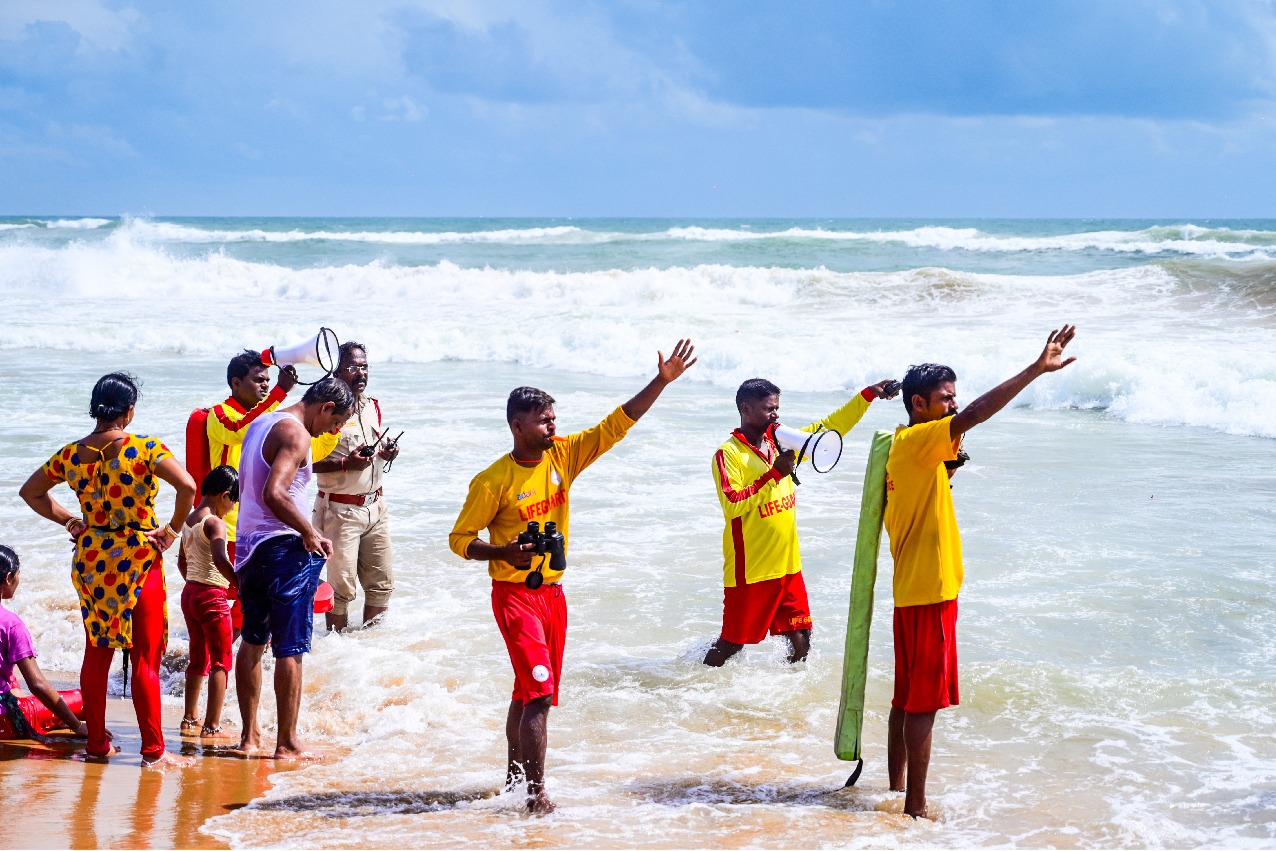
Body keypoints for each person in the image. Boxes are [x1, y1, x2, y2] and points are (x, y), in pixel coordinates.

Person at [449, 340, 698, 814]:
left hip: (554, 597)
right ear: (518, 425)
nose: (552, 427)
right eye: (544, 421)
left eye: (554, 420)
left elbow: (615, 425)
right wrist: (503, 550)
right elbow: (459, 539)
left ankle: (513, 779)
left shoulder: (563, 456)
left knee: (528, 690)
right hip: (515, 597)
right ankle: (537, 794)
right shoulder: (491, 480)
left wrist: (661, 382)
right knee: (539, 692)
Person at [885, 325, 1077, 819]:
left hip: (912, 590)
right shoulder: (922, 439)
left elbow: (942, 465)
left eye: (954, 397)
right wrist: (1036, 370)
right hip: (929, 590)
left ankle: (895, 789)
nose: (954, 405)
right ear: (918, 404)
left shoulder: (906, 446)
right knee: (922, 703)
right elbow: (974, 417)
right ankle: (915, 807)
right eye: (944, 399)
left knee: (906, 697)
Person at [19, 372, 196, 768]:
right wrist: (170, 531)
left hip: (92, 558)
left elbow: (30, 492)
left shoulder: (71, 454)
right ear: (129, 411)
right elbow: (187, 487)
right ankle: (154, 751)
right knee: (145, 657)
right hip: (137, 556)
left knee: (97, 652)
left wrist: (70, 521)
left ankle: (97, 745)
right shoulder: (145, 448)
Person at [704, 377, 899, 667]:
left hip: (789, 566)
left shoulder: (781, 442)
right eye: (769, 409)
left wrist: (868, 395)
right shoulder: (728, 454)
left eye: (777, 408)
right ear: (746, 409)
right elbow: (733, 504)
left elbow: (832, 425)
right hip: (752, 570)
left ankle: (787, 706)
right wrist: (774, 475)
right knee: (732, 646)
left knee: (801, 641)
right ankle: (692, 687)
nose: (776, 415)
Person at [233, 376, 352, 759]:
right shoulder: (297, 434)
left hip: (249, 549)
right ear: (326, 407)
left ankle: (250, 738)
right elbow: (275, 492)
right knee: (291, 648)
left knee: (252, 641)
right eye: (335, 423)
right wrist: (310, 531)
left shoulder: (261, 423)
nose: (332, 431)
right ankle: (287, 742)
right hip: (285, 550)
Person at [205, 352, 298, 640]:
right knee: (230, 601)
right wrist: (282, 392)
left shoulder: (265, 418)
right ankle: (220, 668)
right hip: (227, 524)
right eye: (259, 380)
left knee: (254, 604)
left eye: (269, 381)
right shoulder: (219, 414)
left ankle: (238, 667)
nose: (266, 386)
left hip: (255, 524)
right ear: (235, 383)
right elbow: (240, 429)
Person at [309, 342, 399, 632]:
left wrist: (386, 452)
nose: (360, 372)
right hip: (340, 511)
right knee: (340, 593)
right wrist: (345, 465)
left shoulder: (372, 405)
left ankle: (369, 654)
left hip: (376, 508)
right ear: (337, 371)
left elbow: (373, 446)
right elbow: (303, 462)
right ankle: (337, 653)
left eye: (364, 366)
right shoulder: (326, 408)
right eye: (352, 367)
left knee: (381, 586)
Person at [0, 544, 100, 742]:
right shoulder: (11, 624)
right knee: (86, 699)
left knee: (11, 678)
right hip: (4, 722)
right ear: (9, 577)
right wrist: (77, 726)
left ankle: (45, 714)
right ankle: (57, 719)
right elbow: (37, 685)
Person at [177, 465, 239, 742]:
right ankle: (212, 725)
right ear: (224, 495)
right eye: (233, 500)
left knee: (197, 658)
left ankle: (190, 716)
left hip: (190, 593)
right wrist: (241, 584)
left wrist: (194, 582)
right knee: (221, 662)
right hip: (212, 596)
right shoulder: (215, 523)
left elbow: (182, 561)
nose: (233, 507)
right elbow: (220, 559)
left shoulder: (189, 520)